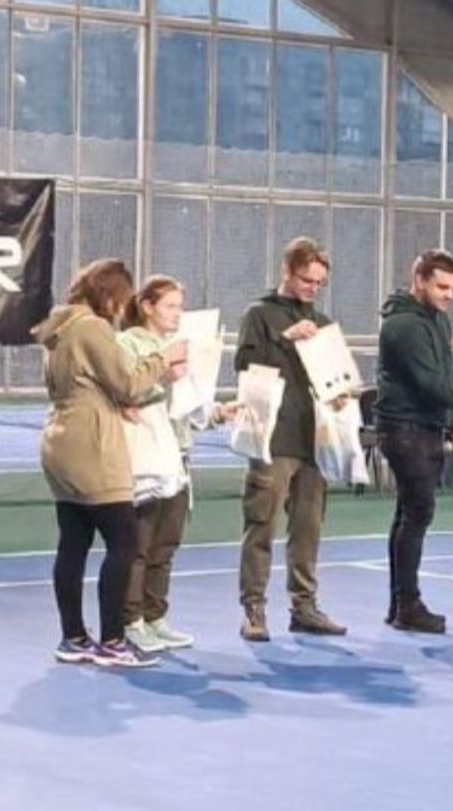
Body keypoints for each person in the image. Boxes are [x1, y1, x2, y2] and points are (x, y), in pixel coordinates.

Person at [34, 258, 188, 669]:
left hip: (60, 441)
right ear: (109, 295)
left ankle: (73, 637)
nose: (123, 307)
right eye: (122, 297)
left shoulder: (60, 328)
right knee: (124, 542)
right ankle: (114, 641)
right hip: (92, 445)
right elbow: (127, 384)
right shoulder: (91, 328)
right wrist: (162, 360)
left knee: (74, 542)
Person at [117, 275, 237, 653]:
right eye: (170, 306)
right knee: (138, 546)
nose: (177, 313)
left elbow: (189, 404)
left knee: (165, 546)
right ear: (147, 306)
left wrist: (218, 413)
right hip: (145, 459)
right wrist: (164, 374)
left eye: (180, 307)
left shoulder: (183, 344)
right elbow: (128, 392)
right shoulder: (128, 343)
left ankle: (155, 617)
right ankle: (130, 621)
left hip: (178, 458)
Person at [235, 237, 346, 642]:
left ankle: (304, 607)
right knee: (262, 524)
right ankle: (254, 610)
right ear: (286, 271)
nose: (312, 288)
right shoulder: (259, 314)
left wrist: (342, 391)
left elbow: (334, 377)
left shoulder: (323, 323)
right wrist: (286, 339)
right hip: (273, 438)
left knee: (308, 528)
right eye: (306, 280)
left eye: (319, 283)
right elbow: (244, 365)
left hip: (313, 439)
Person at [376, 249, 453, 633]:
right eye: (442, 286)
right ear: (419, 280)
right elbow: (429, 384)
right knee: (417, 513)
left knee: (409, 513)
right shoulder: (404, 326)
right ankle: (408, 604)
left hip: (424, 427)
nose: (449, 294)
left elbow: (442, 377)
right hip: (405, 431)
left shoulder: (438, 320)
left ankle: (399, 603)